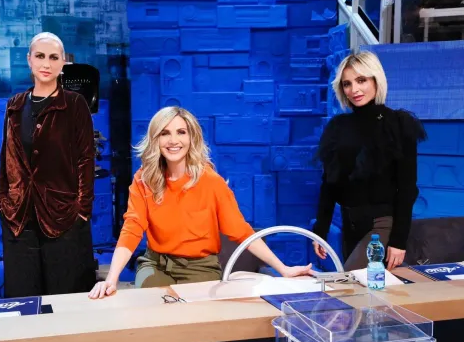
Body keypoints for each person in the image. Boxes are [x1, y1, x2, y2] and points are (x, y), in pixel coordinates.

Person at [89, 106, 313, 299]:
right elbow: (132, 229)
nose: (173, 140)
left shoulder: (210, 181)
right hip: (156, 264)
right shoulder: (143, 179)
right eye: (165, 133)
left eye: (181, 132)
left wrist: (283, 269)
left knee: (193, 321)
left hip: (200, 268)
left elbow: (241, 232)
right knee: (156, 311)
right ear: (155, 139)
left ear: (191, 138)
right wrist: (111, 279)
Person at [0, 32, 96, 298]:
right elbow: (7, 158)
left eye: (53, 57)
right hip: (18, 215)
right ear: (29, 59)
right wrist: (3, 202)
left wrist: (82, 210)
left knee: (65, 297)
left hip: (62, 215)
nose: (46, 63)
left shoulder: (74, 104)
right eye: (40, 56)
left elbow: (86, 159)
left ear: (63, 62)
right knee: (23, 298)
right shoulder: (15, 105)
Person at [312, 51, 427, 272]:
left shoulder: (398, 124)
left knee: (352, 282)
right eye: (347, 84)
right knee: (366, 289)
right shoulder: (338, 126)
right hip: (349, 226)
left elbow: (407, 188)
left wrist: (399, 241)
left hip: (381, 225)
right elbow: (329, 184)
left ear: (376, 80)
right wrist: (320, 230)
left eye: (361, 80)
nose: (354, 89)